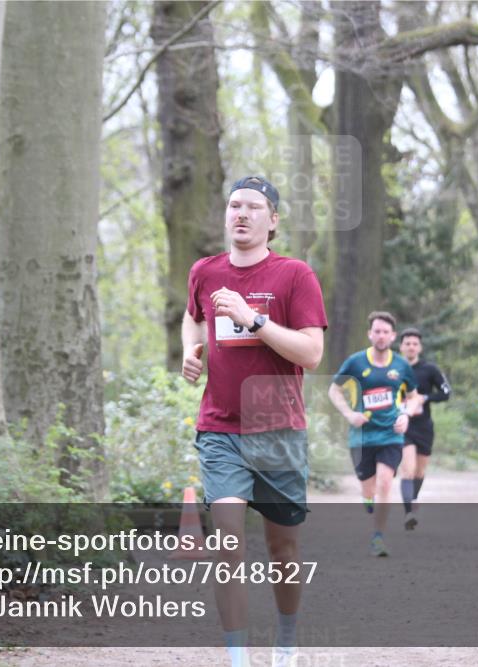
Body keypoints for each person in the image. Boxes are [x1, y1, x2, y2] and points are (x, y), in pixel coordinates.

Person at [181, 176, 328, 667]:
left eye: (254, 207)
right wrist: (190, 350)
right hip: (220, 428)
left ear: (273, 220)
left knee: (282, 549)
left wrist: (254, 319)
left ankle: (285, 641)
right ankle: (238, 657)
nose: (241, 214)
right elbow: (193, 317)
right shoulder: (204, 271)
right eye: (234, 205)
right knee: (227, 543)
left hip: (279, 431)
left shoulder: (295, 276)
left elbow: (311, 353)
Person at [328, 311, 420, 557]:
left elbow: (413, 397)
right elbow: (334, 391)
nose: (381, 336)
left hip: (391, 434)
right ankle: (368, 500)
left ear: (393, 336)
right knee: (368, 491)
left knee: (385, 483)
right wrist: (349, 414)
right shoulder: (356, 362)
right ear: (370, 334)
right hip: (361, 437)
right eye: (377, 331)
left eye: (385, 332)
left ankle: (378, 537)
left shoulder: (401, 365)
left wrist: (405, 415)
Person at [397, 328, 451, 529]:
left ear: (420, 347)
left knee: (420, 471)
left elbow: (446, 392)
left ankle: (414, 499)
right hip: (403, 425)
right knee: (407, 470)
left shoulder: (430, 369)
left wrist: (425, 397)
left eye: (414, 344)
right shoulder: (393, 368)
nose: (411, 347)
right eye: (407, 343)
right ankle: (408, 513)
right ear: (401, 346)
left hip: (424, 426)